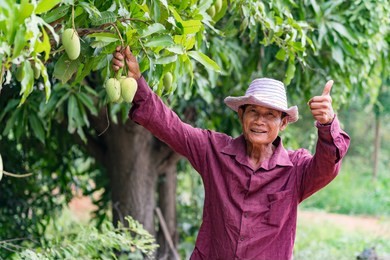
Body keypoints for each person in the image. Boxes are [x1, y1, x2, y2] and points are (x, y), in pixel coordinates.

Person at [112, 46, 350, 260]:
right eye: (253, 111)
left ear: (283, 123)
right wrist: (137, 83)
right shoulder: (213, 150)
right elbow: (171, 126)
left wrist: (327, 124)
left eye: (270, 115)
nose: (259, 121)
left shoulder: (296, 169)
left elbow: (327, 166)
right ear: (241, 115)